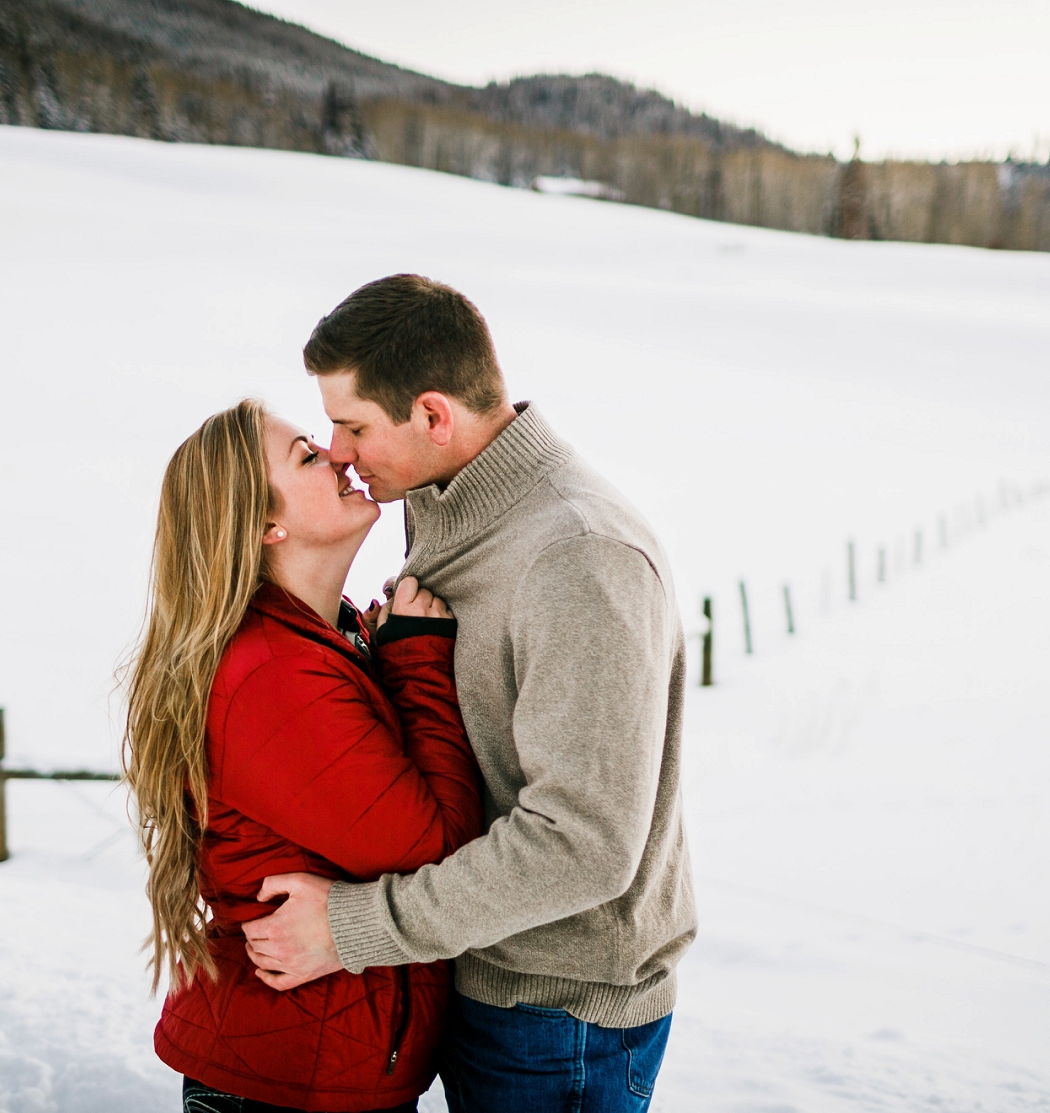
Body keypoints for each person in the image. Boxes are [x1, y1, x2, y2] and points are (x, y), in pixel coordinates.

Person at [242, 275, 698, 1112]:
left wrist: (352, 928)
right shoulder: (447, 504)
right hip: (477, 968)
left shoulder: (577, 555)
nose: (337, 450)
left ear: (433, 415)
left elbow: (584, 844)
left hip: (556, 1013)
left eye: (352, 427)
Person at [122, 399, 482, 1113]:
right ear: (265, 525)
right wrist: (417, 665)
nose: (342, 457)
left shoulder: (321, 639)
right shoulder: (269, 675)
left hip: (316, 1063)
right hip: (288, 1081)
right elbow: (436, 843)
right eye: (310, 458)